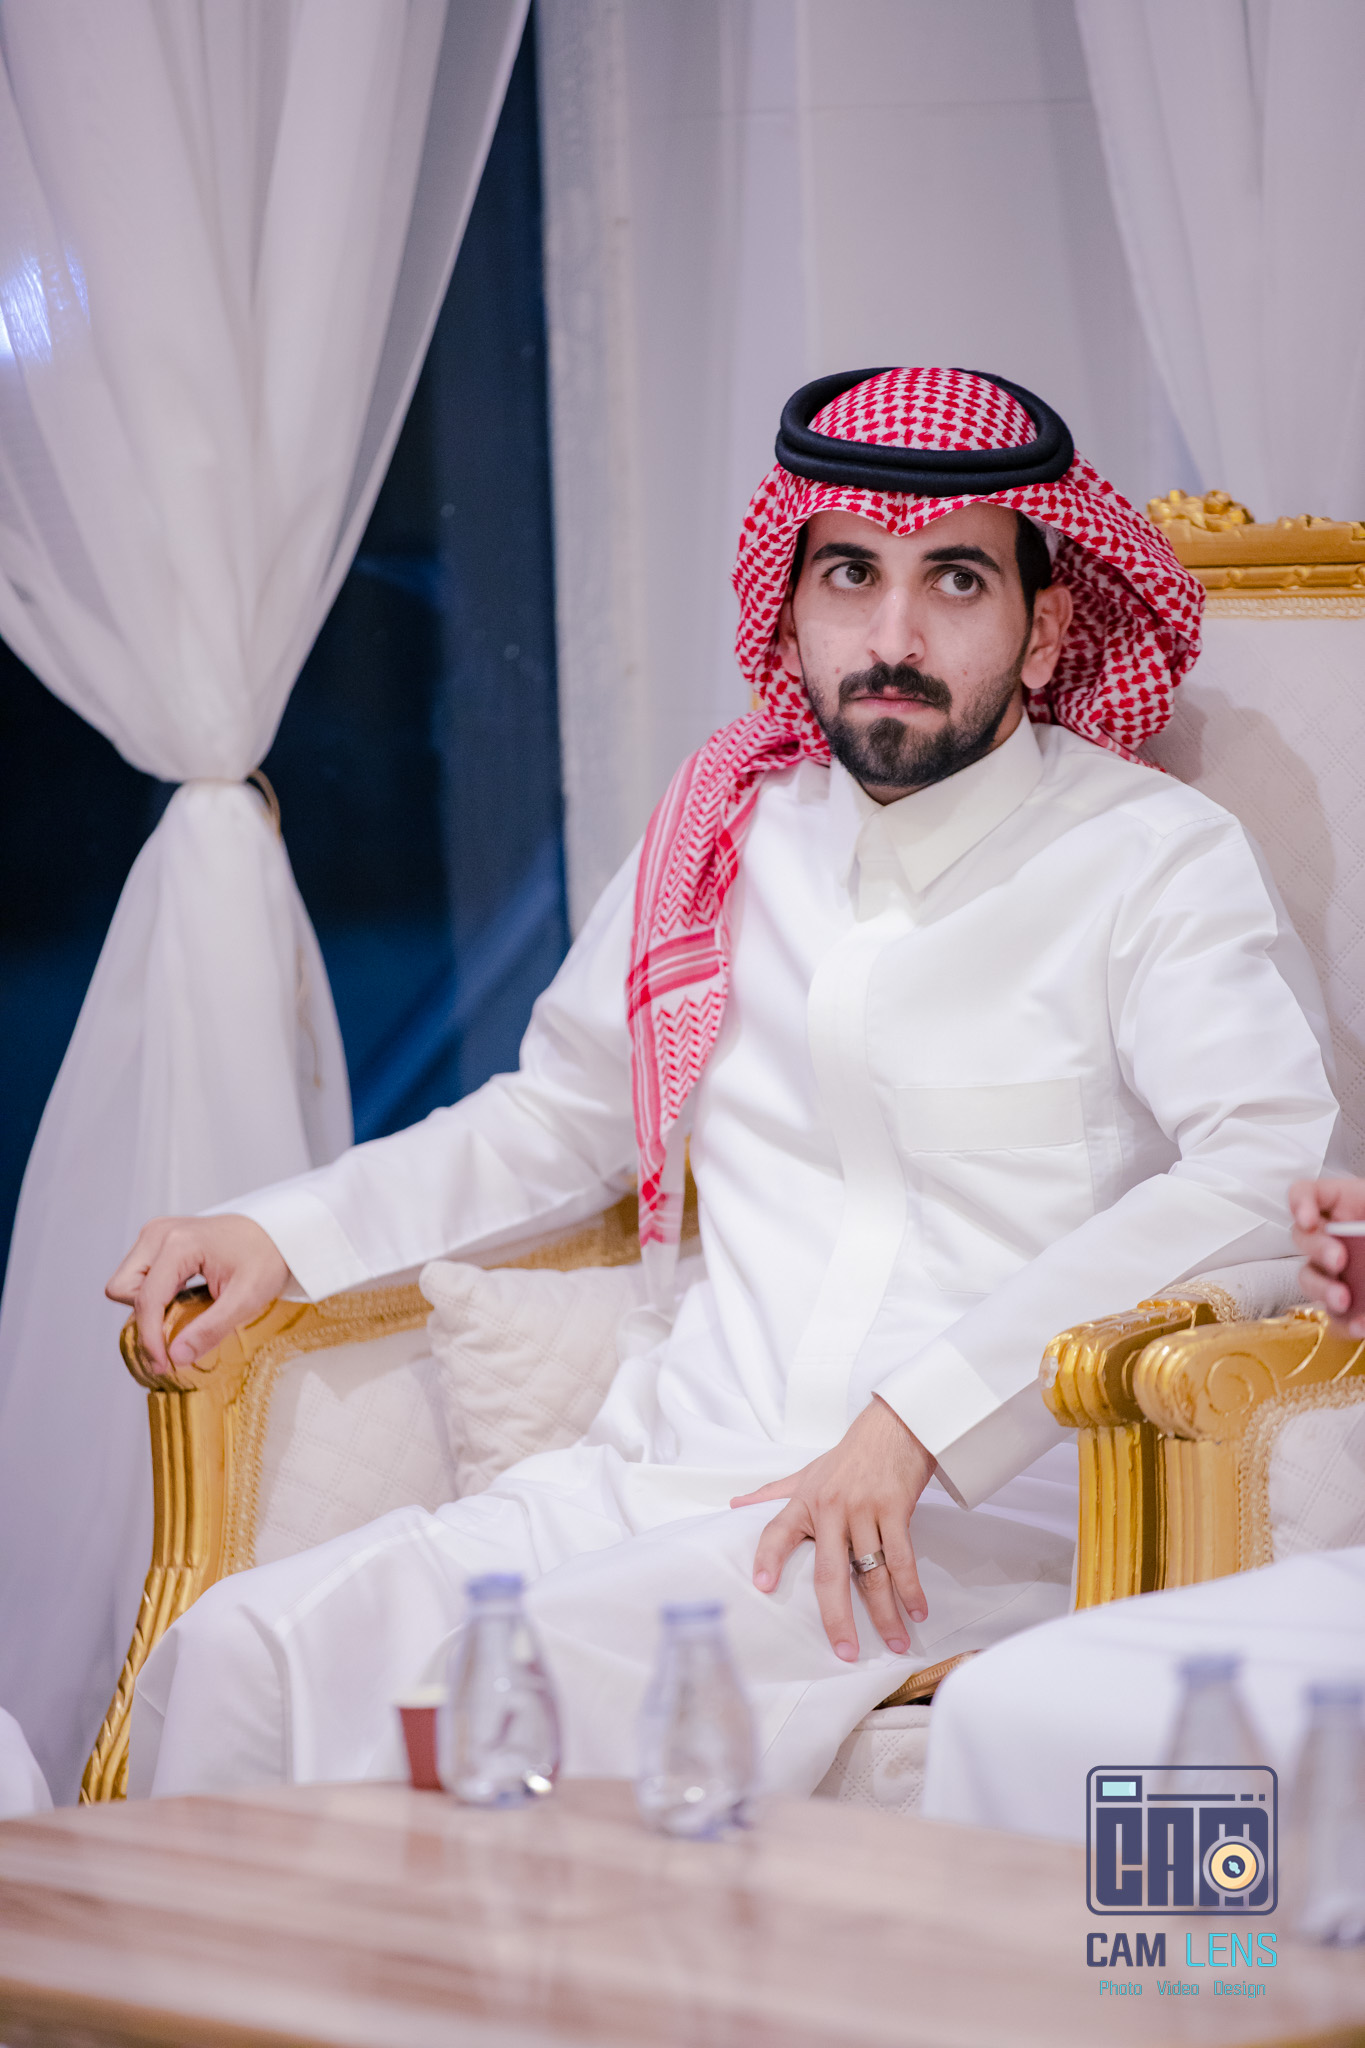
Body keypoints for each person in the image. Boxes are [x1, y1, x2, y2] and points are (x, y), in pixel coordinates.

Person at [111, 367, 1343, 1799]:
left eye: (955, 580)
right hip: (667, 1468)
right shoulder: (726, 828)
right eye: (849, 576)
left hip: (962, 1517)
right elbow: (557, 1119)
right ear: (789, 606)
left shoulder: (1151, 860)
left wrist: (922, 1418)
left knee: (484, 1700)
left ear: (1046, 626)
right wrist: (282, 1231)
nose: (892, 637)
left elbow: (1262, 1166)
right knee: (245, 1651)